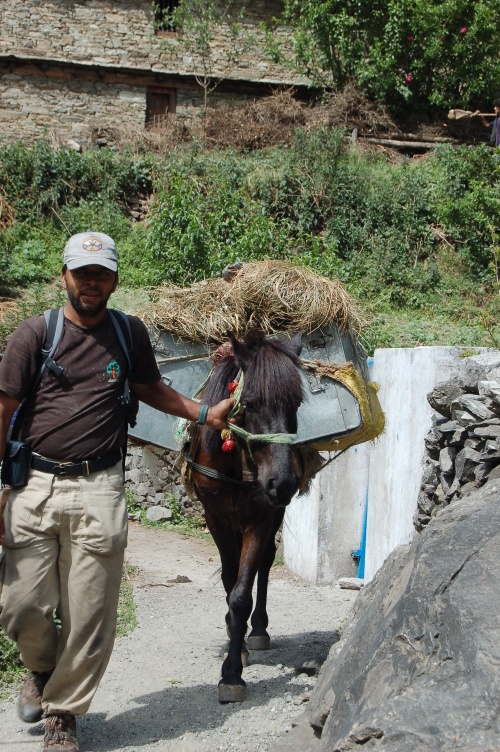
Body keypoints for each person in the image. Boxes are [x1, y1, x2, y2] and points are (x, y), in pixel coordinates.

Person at [0, 232, 234, 752]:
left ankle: (63, 714)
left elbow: (150, 388)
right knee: (22, 606)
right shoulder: (33, 335)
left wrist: (200, 412)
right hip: (33, 484)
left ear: (114, 279)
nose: (91, 282)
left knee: (90, 609)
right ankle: (40, 668)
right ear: (64, 276)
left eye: (100, 273)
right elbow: (4, 410)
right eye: (82, 273)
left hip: (100, 487)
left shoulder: (129, 333)